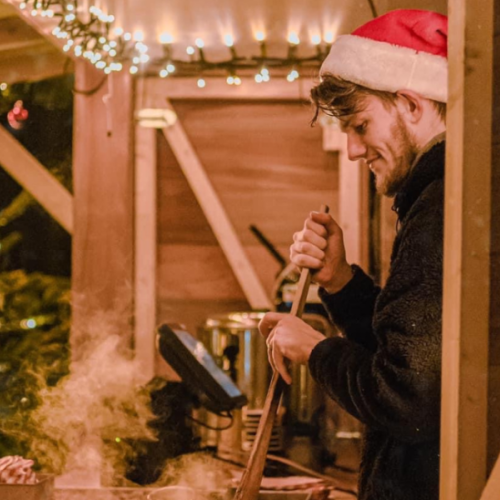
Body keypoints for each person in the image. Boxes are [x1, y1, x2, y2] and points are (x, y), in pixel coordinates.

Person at [259, 9, 447, 500]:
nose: (353, 150)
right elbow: (407, 355)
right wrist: (341, 282)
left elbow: (407, 399)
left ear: (411, 104)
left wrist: (315, 349)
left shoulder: (440, 208)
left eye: (360, 125)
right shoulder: (435, 198)